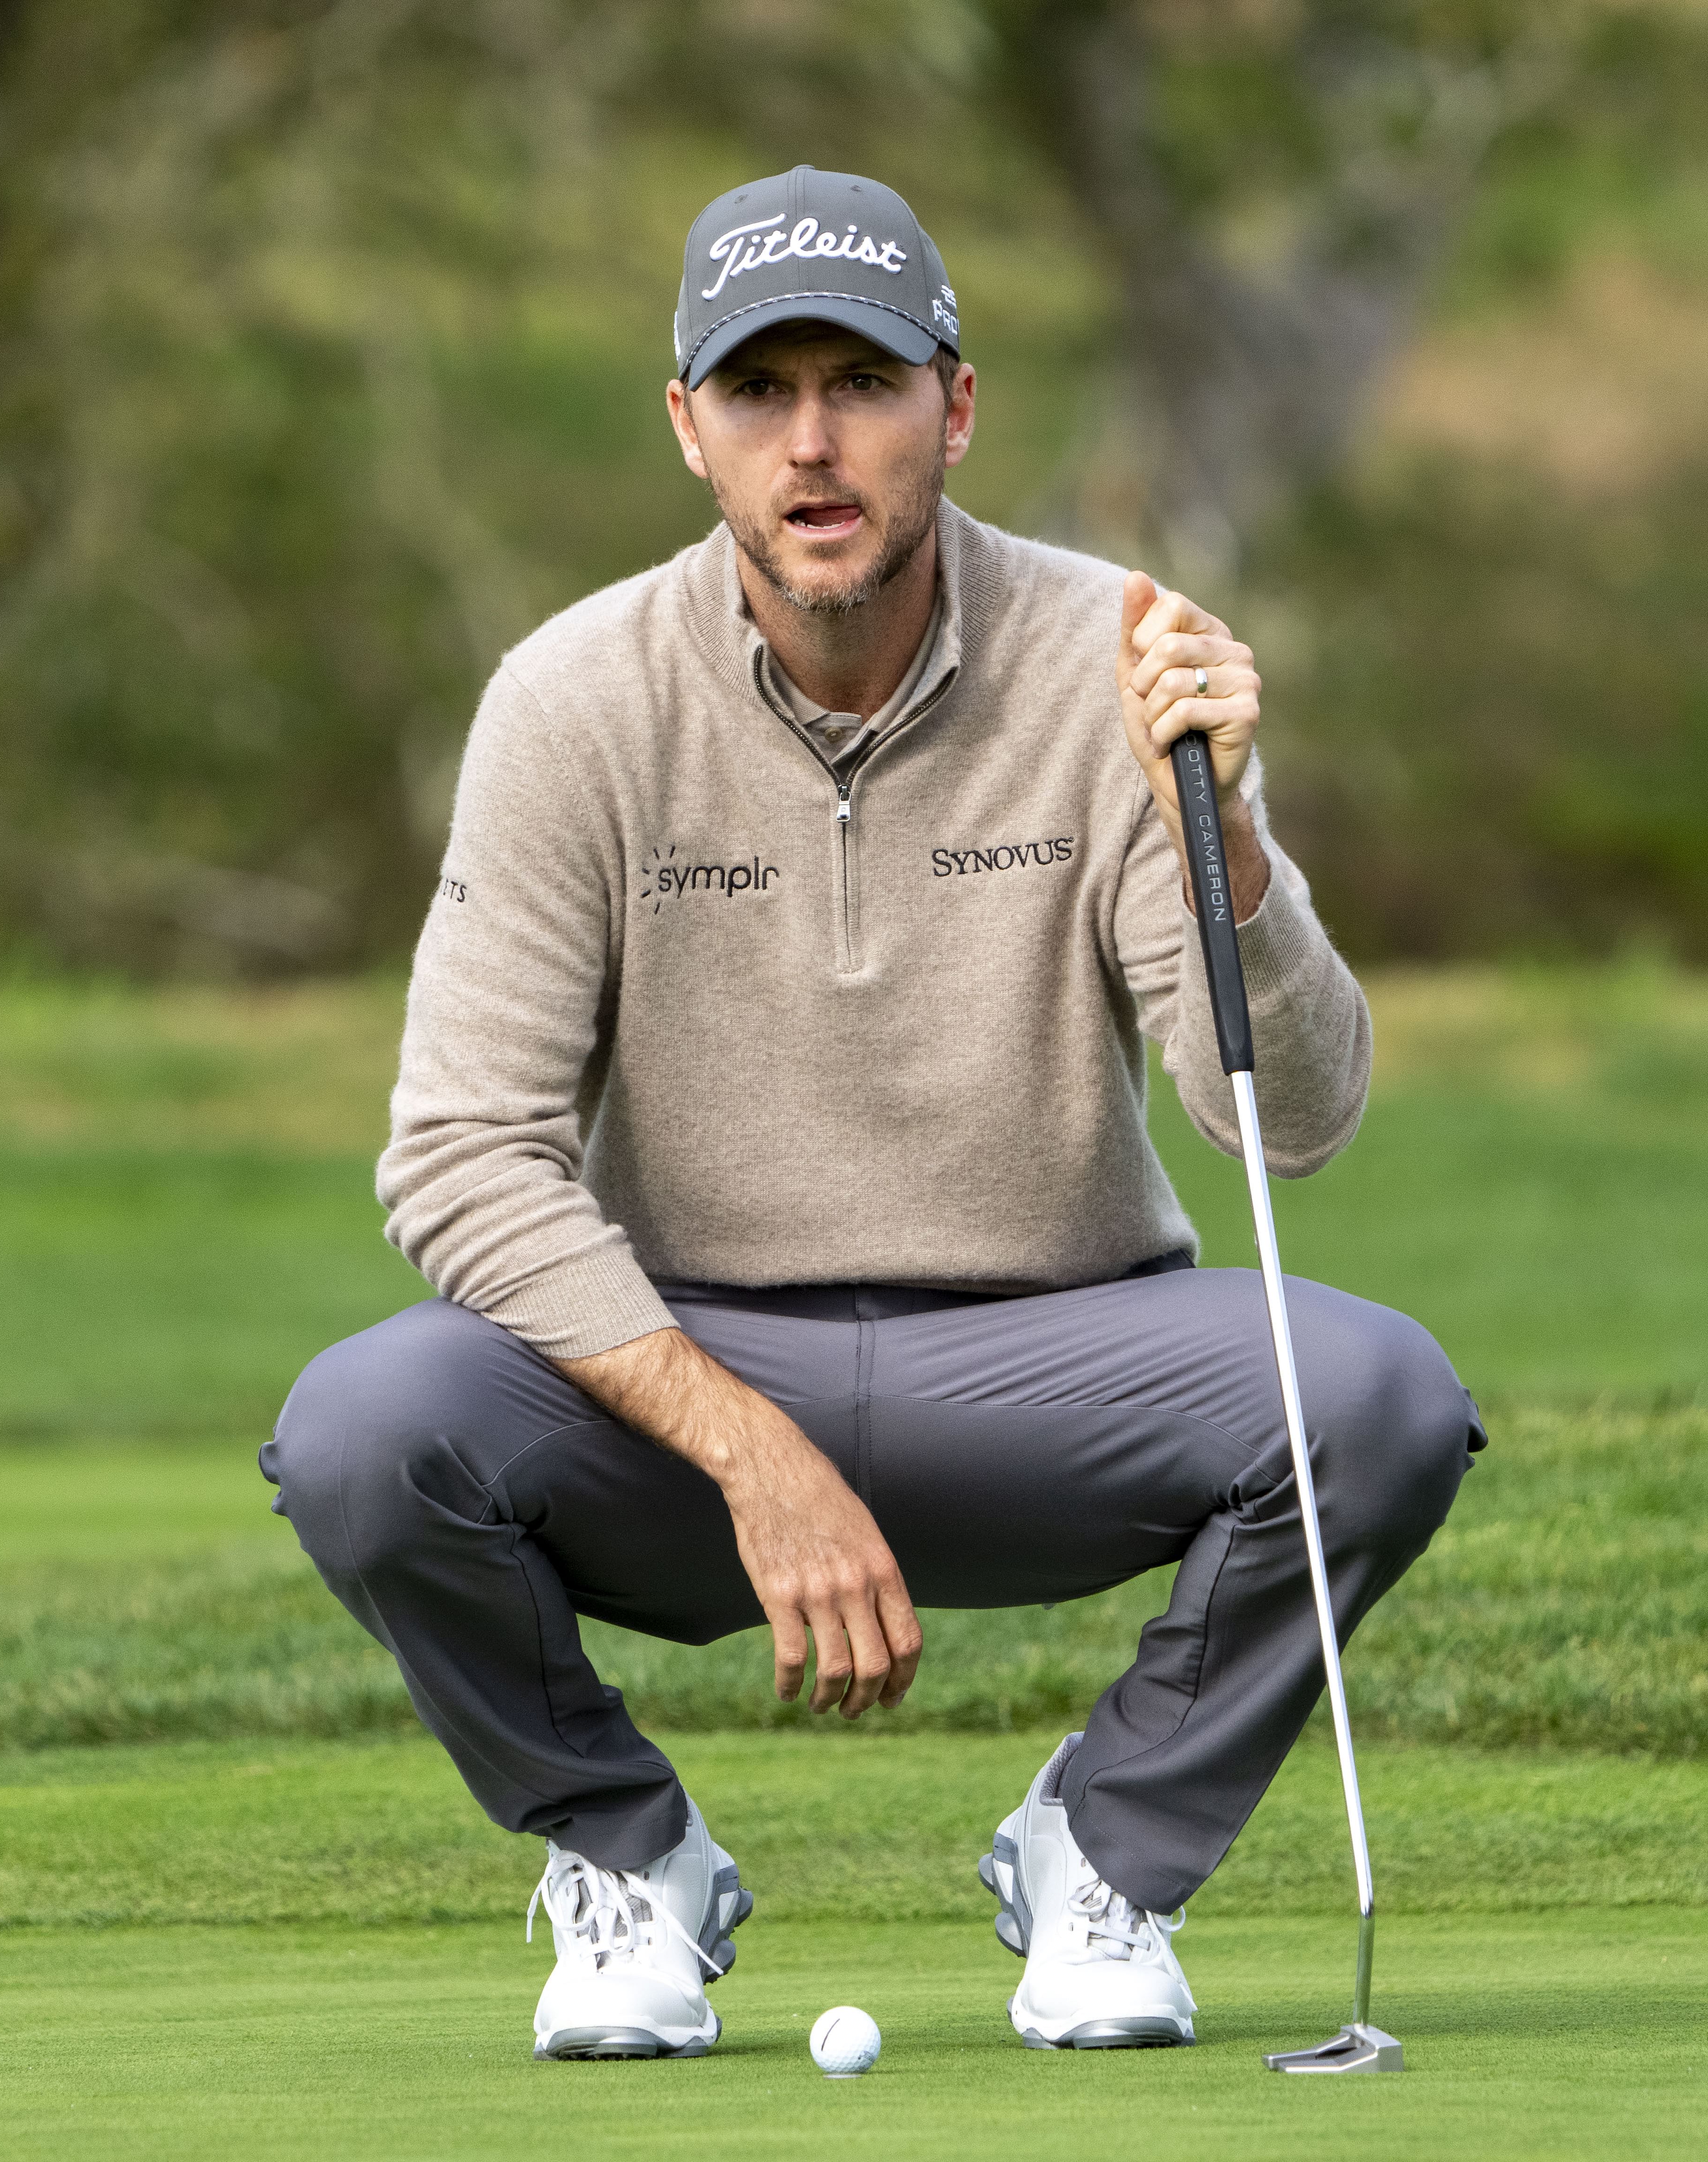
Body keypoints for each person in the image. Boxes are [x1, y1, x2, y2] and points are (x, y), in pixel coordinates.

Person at [265, 165, 1480, 2062]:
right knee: (362, 1428)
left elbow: (1291, 1127)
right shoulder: (572, 699)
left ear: (957, 404)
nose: (811, 445)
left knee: (1381, 1398)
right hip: (683, 1382)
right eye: (758, 393)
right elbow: (455, 1157)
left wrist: (1224, 822)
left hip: (1052, 1357)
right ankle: (625, 1856)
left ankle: (1104, 1854)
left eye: (862, 382)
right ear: (688, 427)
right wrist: (751, 1453)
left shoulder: (1118, 662)